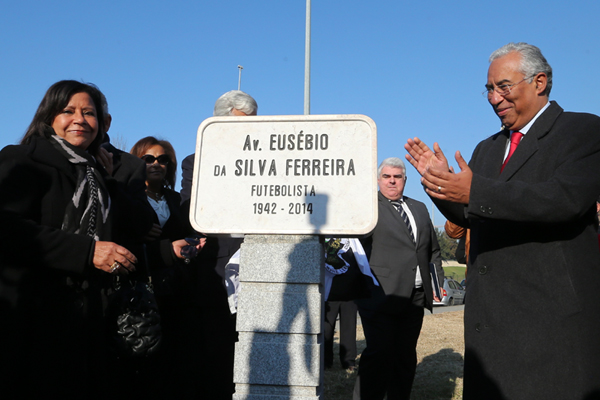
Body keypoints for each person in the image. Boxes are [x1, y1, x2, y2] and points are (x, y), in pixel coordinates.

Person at [405, 42, 600, 399]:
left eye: (504, 87)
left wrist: (474, 191)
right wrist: (442, 186)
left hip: (550, 329)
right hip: (489, 330)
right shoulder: (487, 148)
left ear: (539, 82)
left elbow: (564, 200)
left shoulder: (583, 132)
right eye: (490, 89)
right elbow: (471, 214)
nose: (495, 98)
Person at [0, 80, 139, 398]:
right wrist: (86, 251)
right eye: (68, 110)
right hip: (32, 323)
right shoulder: (22, 159)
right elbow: (6, 227)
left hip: (89, 321)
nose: (80, 119)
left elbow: (128, 231)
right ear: (49, 117)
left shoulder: (94, 174)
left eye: (89, 113)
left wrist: (110, 178)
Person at [179, 89, 258, 399]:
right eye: (243, 122)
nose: (250, 128)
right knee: (217, 356)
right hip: (215, 272)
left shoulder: (266, 160)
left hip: (257, 269)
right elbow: (191, 210)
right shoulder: (196, 162)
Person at [353, 157, 443, 400]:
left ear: (405, 180)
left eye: (397, 177)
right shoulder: (368, 207)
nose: (392, 181)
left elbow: (432, 251)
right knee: (379, 355)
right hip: (380, 295)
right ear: (378, 179)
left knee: (405, 357)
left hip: (415, 297)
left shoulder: (420, 208)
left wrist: (436, 284)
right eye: (387, 176)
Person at [130, 136, 203, 397]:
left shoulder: (177, 200)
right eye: (148, 158)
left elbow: (187, 233)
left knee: (176, 360)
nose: (156, 163)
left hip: (178, 290)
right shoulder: (128, 199)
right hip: (141, 292)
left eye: (162, 159)